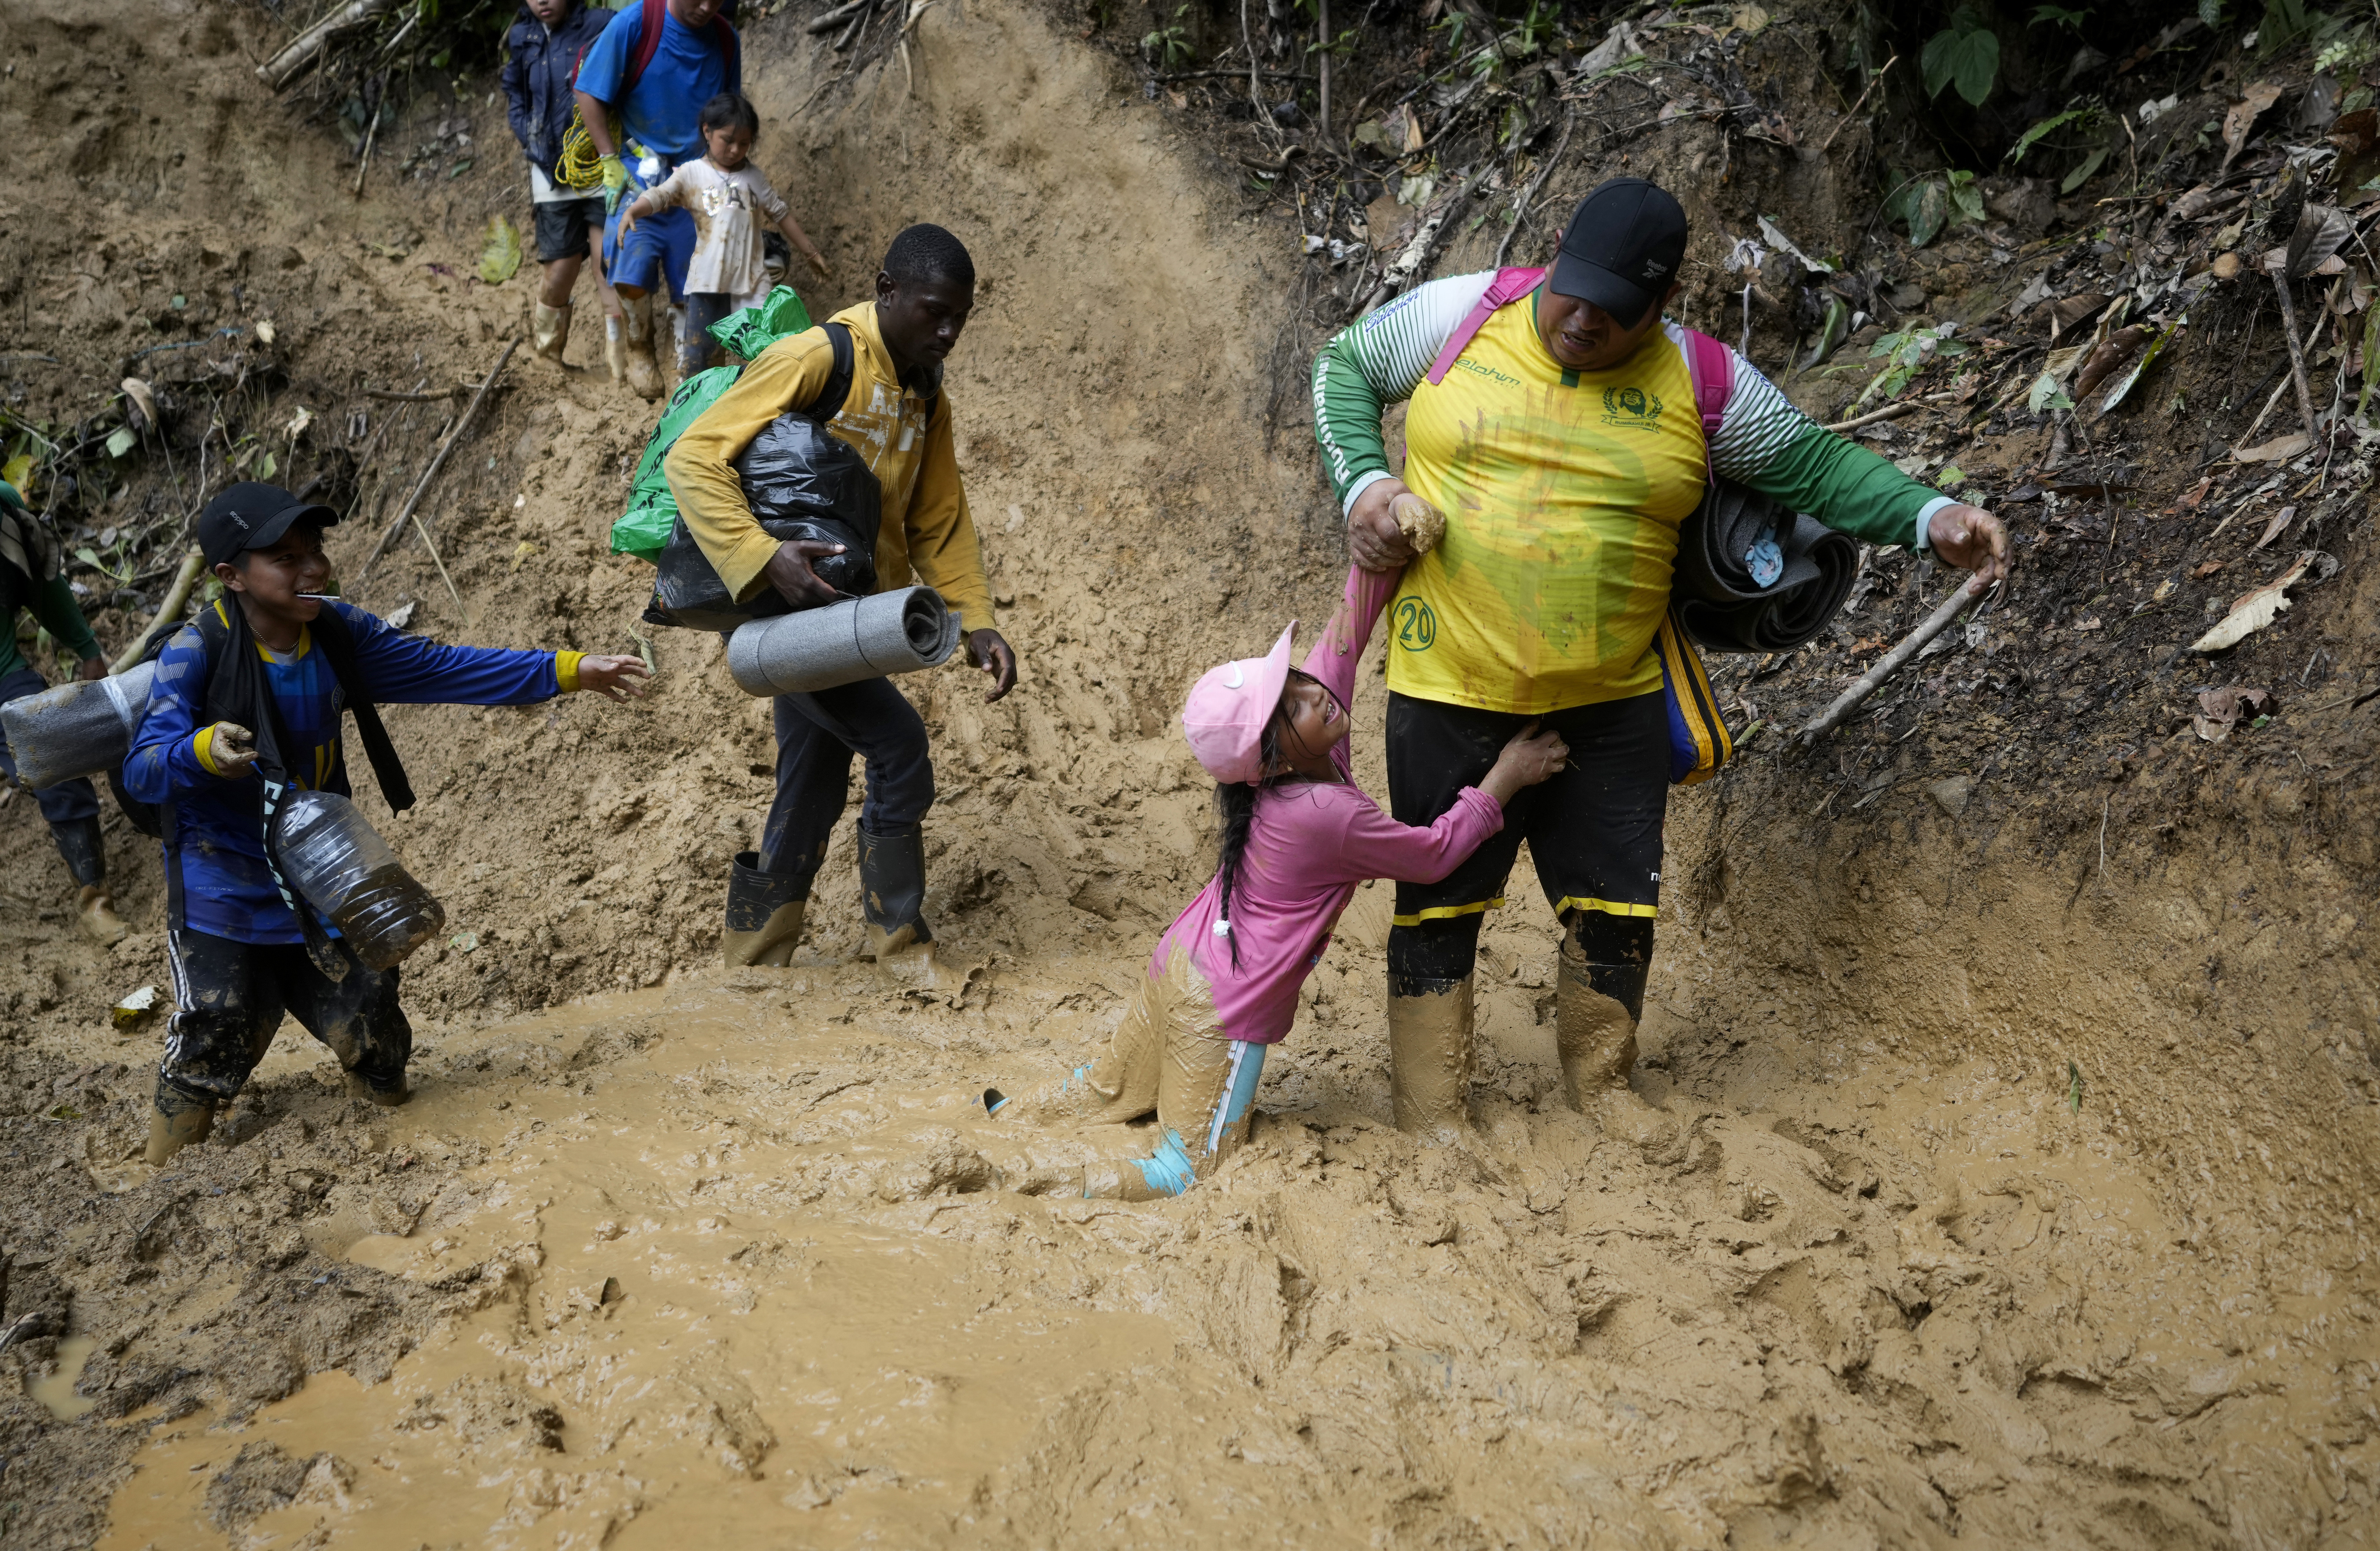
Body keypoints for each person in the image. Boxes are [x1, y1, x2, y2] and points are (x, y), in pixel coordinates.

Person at [1310, 177, 2012, 1149]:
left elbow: (1815, 467)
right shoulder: (1461, 317)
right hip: (1447, 686)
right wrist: (1365, 483)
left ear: (1665, 303)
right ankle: (1430, 1109)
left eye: (1616, 308)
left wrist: (1930, 515)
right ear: (1552, 258)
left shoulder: (1703, 378)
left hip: (1613, 700)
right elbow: (1343, 365)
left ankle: (1602, 1093)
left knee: (1616, 907)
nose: (1583, 320)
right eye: (1572, 290)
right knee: (1441, 901)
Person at [984, 564, 1568, 1198]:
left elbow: (1341, 648)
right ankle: (1028, 1187)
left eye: (1296, 681)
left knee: (1108, 1092)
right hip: (1222, 1013)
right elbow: (1432, 855)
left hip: (1182, 963)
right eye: (1293, 701)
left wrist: (1371, 563)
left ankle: (1000, 1117)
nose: (1315, 694)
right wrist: (1508, 775)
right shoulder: (1326, 815)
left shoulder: (1297, 758)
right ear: (1275, 757)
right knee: (1184, 1171)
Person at [124, 482, 650, 1166]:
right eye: (286, 558)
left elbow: (444, 668)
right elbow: (142, 770)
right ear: (232, 577)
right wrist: (200, 751)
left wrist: (572, 670)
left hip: (323, 870)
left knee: (373, 1026)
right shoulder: (196, 653)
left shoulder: (340, 633)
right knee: (213, 1037)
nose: (314, 569)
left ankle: (395, 1154)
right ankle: (160, 1180)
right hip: (222, 878)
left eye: (315, 550)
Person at [665, 224, 1018, 989]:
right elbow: (693, 455)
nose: (949, 332)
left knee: (812, 780)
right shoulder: (819, 358)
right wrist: (763, 559)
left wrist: (977, 620)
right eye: (934, 312)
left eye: (960, 316)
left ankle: (752, 965)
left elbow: (938, 517)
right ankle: (902, 950)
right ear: (887, 292)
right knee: (898, 746)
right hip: (794, 617)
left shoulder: (927, 394)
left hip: (851, 618)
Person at [572, 0, 743, 399]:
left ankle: (687, 360)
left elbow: (731, 113)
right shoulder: (637, 24)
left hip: (696, 185)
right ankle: (639, 348)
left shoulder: (724, 40)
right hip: (638, 180)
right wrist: (609, 159)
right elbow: (588, 92)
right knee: (631, 277)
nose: (705, 7)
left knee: (696, 282)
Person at [618, 92, 831, 379]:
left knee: (766, 358)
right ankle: (696, 417)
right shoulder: (693, 174)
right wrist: (633, 211)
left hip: (752, 283)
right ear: (707, 131)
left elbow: (780, 214)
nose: (735, 150)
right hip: (708, 283)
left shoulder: (754, 178)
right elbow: (660, 195)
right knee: (700, 362)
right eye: (727, 141)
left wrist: (811, 252)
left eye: (744, 143)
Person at [0, 479, 128, 944]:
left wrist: (86, 647)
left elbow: (43, 588)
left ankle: (96, 901)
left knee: (53, 748)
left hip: (2, 673)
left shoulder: (3, 507)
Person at [503, 0, 626, 379]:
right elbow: (514, 90)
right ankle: (547, 355)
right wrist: (528, 132)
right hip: (548, 165)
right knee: (561, 267)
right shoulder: (521, 35)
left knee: (605, 258)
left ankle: (623, 363)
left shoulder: (603, 24)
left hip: (596, 159)